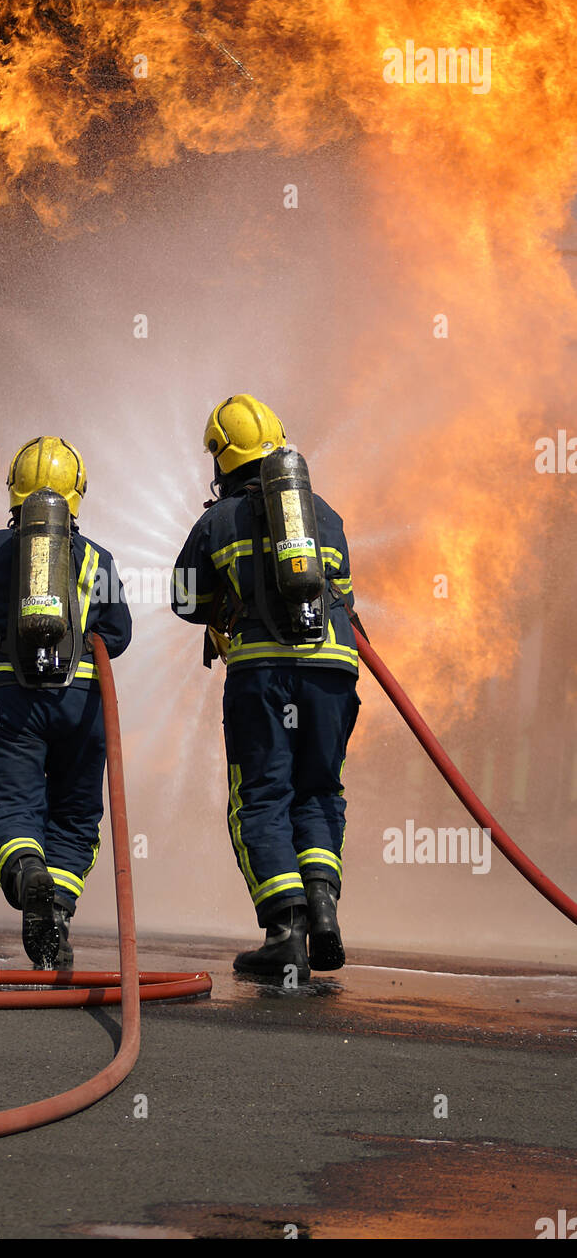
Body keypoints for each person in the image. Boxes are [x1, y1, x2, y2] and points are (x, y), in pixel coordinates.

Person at [170, 395, 361, 980]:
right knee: (319, 791)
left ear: (221, 460)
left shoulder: (217, 520)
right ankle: (322, 906)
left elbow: (182, 598)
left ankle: (285, 932)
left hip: (263, 675)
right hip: (334, 669)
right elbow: (346, 597)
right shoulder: (326, 514)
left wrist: (225, 607)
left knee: (261, 795)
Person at [0, 436, 131, 968]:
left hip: (9, 700)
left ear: (12, 489)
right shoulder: (97, 558)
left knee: (12, 805)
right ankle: (55, 912)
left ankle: (26, 870)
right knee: (75, 815)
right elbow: (118, 636)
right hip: (81, 705)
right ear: (79, 492)